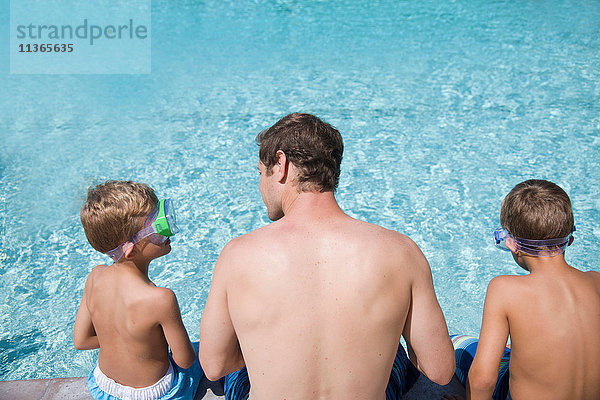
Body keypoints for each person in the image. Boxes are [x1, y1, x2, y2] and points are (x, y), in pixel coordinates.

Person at [199, 113, 455, 399]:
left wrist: (269, 349)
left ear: (281, 165)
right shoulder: (402, 252)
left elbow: (214, 364)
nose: (261, 186)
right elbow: (440, 369)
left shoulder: (237, 255)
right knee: (392, 351)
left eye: (261, 172)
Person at [444, 179, 600, 400]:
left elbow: (482, 380)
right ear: (570, 240)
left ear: (511, 243)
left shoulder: (505, 290)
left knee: (454, 344)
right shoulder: (595, 282)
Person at [74, 180, 202, 400]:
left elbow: (81, 341)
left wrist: (123, 340)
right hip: (158, 395)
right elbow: (184, 360)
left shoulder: (94, 277)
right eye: (157, 226)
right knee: (207, 351)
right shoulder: (161, 299)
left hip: (103, 389)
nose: (167, 228)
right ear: (131, 251)